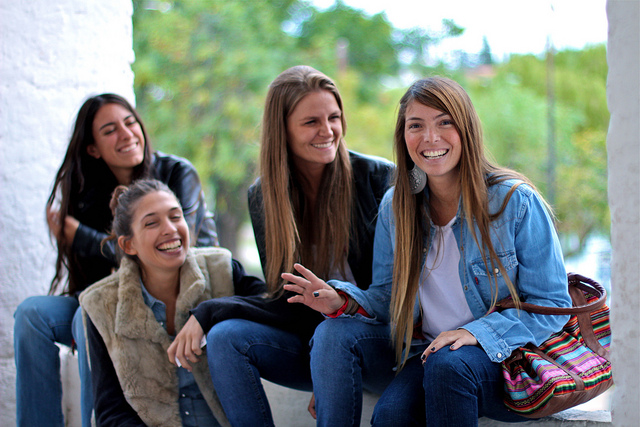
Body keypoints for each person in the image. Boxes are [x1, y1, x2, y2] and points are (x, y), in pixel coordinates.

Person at [283, 76, 573, 426]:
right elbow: (387, 296)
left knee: (449, 365)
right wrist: (341, 301)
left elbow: (553, 306)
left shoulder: (515, 202)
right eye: (416, 125)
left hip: (503, 358)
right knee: (387, 413)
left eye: (444, 122)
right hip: (428, 353)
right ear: (403, 136)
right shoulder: (397, 206)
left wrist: (476, 333)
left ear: (466, 129)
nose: (430, 138)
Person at [168, 65, 395, 426]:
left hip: (378, 343)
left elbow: (396, 295)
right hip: (315, 342)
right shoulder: (264, 197)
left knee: (334, 334)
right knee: (226, 337)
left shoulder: (379, 179)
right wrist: (212, 313)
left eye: (334, 117)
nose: (328, 131)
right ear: (283, 130)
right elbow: (287, 302)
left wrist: (330, 356)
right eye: (311, 122)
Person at [13, 93, 219, 427]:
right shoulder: (87, 195)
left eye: (130, 122)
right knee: (32, 314)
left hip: (183, 302)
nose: (126, 134)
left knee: (87, 315)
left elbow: (175, 251)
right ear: (92, 148)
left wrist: (84, 239)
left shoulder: (177, 173)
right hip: (121, 305)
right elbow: (99, 285)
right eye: (109, 130)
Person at [80, 179, 265, 426]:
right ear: (128, 244)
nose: (170, 229)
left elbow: (274, 307)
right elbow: (111, 412)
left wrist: (210, 313)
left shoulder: (221, 269)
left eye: (175, 217)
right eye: (152, 223)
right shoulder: (101, 304)